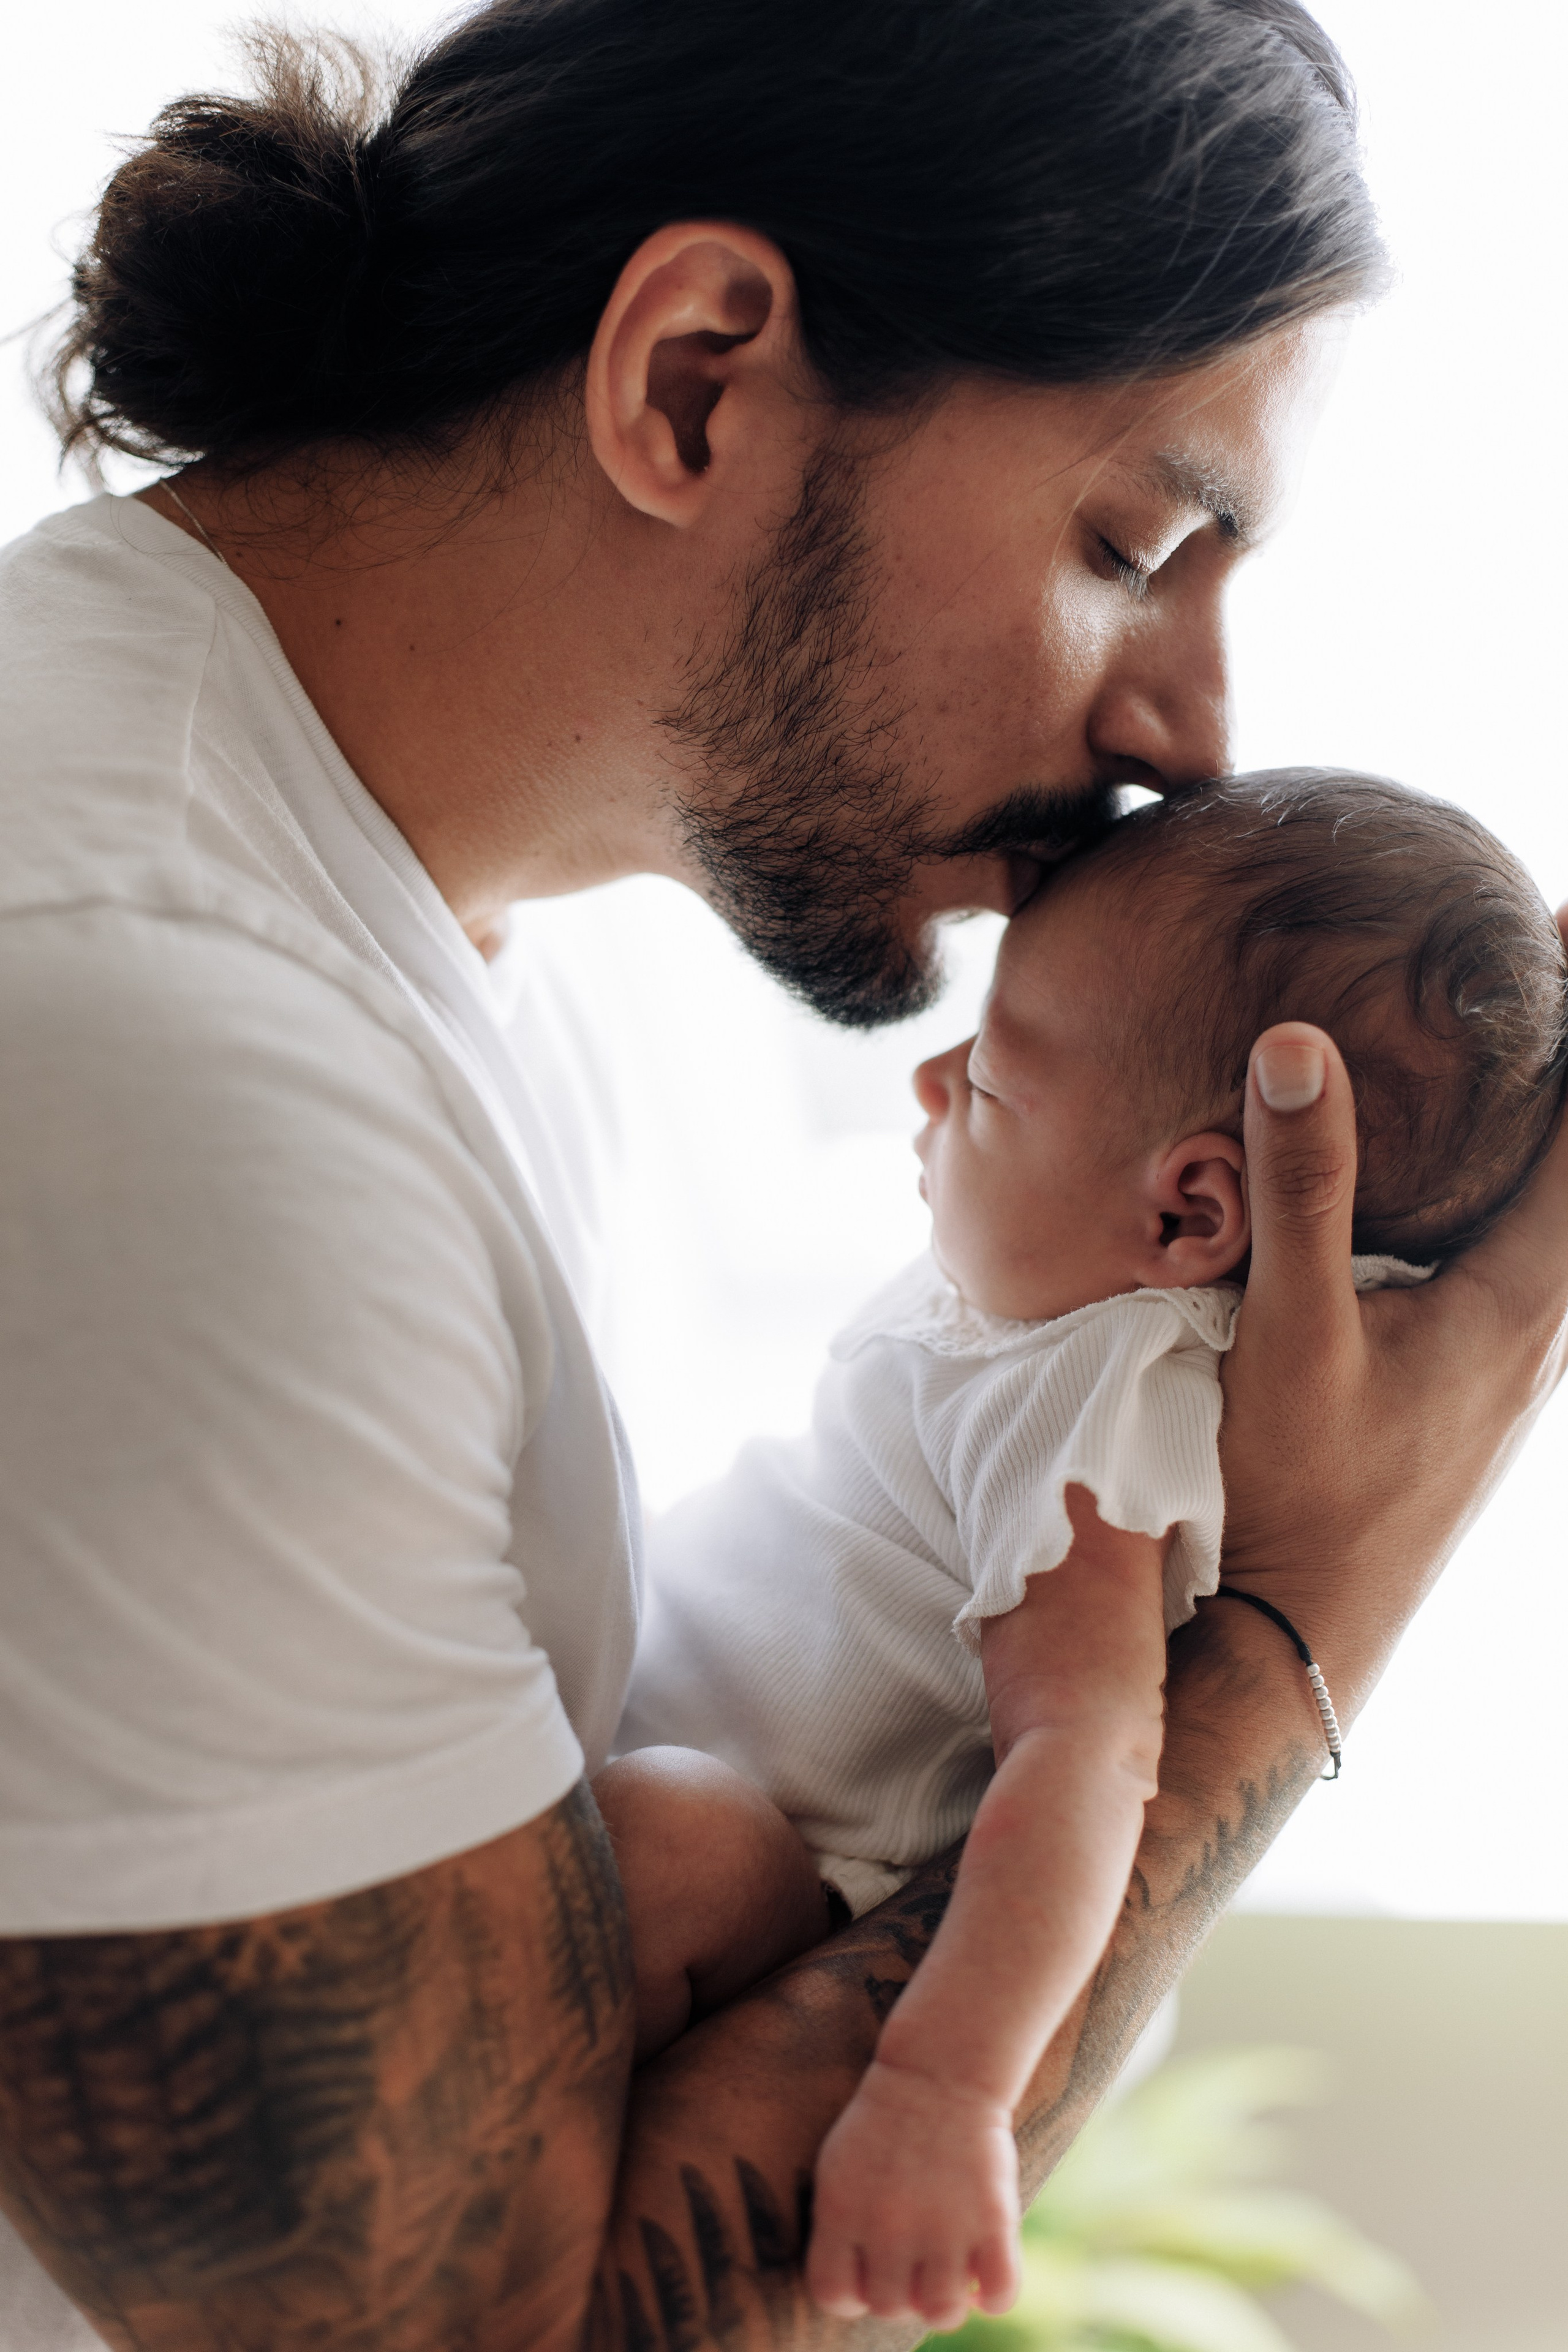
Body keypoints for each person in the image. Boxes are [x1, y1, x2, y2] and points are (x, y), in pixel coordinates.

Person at [0, 4, 1564, 2349]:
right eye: (1134, 538)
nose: (1195, 731)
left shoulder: (475, 941)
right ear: (700, 378)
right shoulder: (162, 1053)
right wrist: (1307, 1624)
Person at [608, 770, 1568, 2328]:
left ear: (1189, 1214)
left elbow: (1089, 1757)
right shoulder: (1052, 1299)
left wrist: (940, 2095)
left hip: (764, 1879)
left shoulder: (1091, 1390)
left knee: (668, 1843)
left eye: (989, 1077)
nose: (927, 1084)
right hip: (650, 1748)